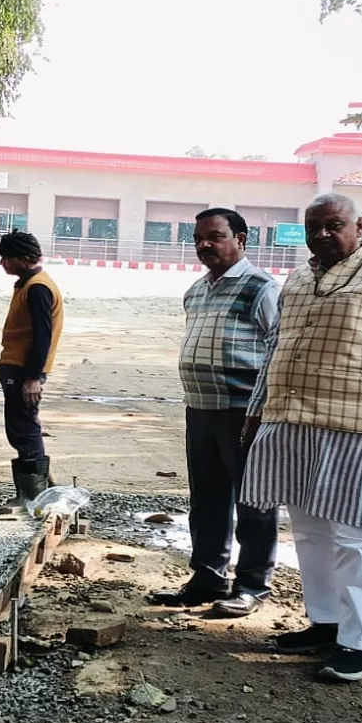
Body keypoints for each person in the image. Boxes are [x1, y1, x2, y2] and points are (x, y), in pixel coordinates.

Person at [239, 193, 362, 683]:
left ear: (360, 225)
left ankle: (360, 644)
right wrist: (257, 407)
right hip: (295, 424)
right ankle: (325, 623)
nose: (323, 234)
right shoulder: (300, 278)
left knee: (358, 539)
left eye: (334, 225)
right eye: (314, 227)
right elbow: (274, 346)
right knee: (309, 533)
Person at [151, 208, 281, 616]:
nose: (205, 245)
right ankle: (208, 576)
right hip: (201, 410)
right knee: (206, 499)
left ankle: (253, 585)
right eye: (199, 238)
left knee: (253, 500)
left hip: (244, 413)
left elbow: (278, 351)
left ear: (241, 240)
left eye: (216, 236)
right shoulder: (196, 290)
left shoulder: (262, 288)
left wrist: (262, 408)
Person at [0, 230, 64, 510]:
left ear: (22, 258)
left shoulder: (38, 287)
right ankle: (39, 490)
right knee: (20, 428)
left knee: (24, 429)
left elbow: (42, 335)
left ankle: (33, 497)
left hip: (24, 370)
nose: (2, 264)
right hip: (18, 368)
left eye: (6, 258)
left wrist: (33, 378)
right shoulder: (28, 284)